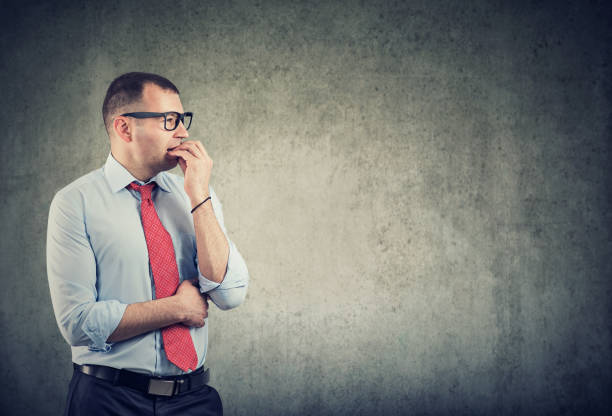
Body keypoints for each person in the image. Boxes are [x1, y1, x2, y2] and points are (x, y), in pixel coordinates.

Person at [46, 72, 249, 416]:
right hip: (107, 400)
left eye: (183, 120)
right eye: (169, 120)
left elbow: (229, 294)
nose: (183, 132)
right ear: (125, 128)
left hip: (194, 401)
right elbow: (78, 323)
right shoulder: (74, 203)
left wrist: (199, 196)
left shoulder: (196, 195)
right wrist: (176, 308)